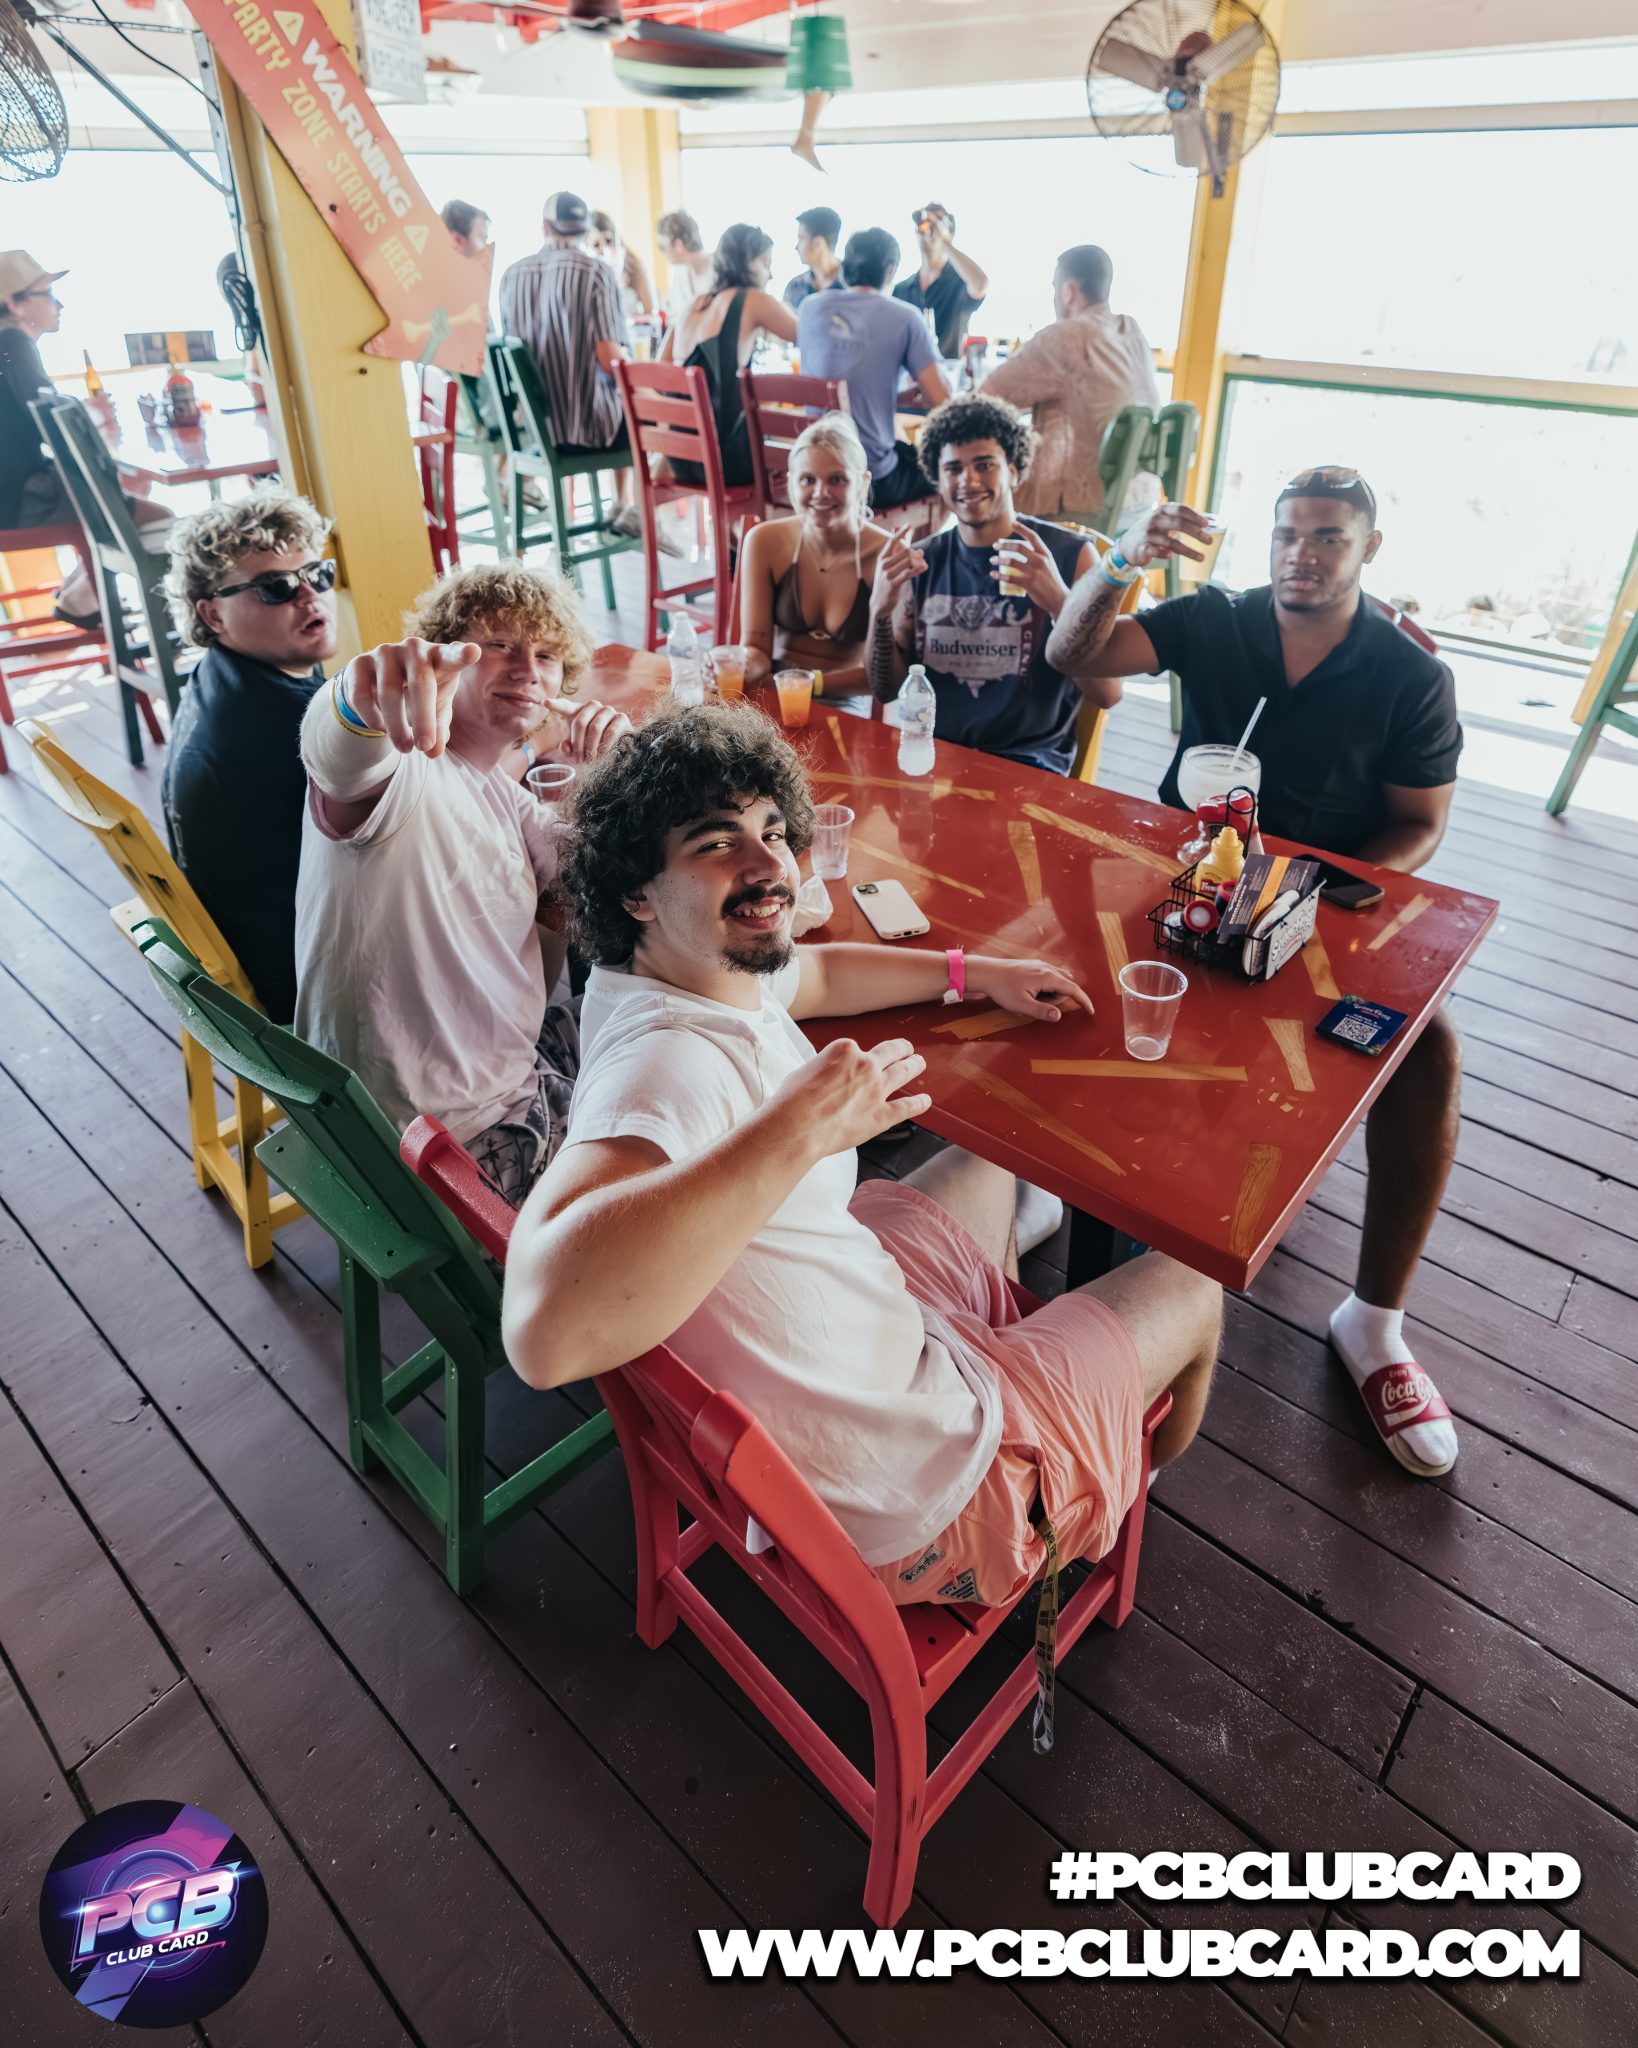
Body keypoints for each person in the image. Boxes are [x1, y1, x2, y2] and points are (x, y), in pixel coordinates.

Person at [503, 704, 1220, 1635]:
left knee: (984, 1167)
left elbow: (813, 978)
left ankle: (1028, 1378)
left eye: (772, 831)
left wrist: (971, 972)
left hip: (856, 1360)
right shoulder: (666, 1069)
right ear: (637, 891)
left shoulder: (671, 969)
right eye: (717, 844)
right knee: (1194, 1285)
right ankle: (1097, 1486)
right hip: (916, 1500)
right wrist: (797, 1130)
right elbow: (542, 1334)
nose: (768, 864)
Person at [1048, 467, 1465, 1479]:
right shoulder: (1214, 620)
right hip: (1182, 884)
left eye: (1328, 537)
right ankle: (1040, 1193)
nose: (1301, 555)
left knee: (1427, 1052)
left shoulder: (1410, 673)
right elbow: (1074, 653)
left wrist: (1323, 887)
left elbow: (1419, 823)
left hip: (1324, 899)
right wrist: (1123, 555)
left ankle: (1374, 1320)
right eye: (1286, 534)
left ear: (1369, 548)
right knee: (1071, 970)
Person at [294, 563, 632, 1202]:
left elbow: (614, 893)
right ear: (444, 659)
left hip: (483, 1088)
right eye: (500, 645)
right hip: (446, 1144)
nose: (527, 669)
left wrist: (620, 776)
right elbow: (338, 754)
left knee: (666, 1021)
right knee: (695, 1130)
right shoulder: (403, 771)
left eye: (546, 655)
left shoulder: (499, 790)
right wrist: (358, 697)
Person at [865, 392, 1194, 773]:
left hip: (1029, 765)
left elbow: (1108, 694)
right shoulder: (922, 561)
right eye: (953, 468)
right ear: (938, 480)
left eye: (984, 464)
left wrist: (1058, 603)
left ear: (1014, 470)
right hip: (934, 759)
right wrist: (880, 611)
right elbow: (885, 689)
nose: (968, 480)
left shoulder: (1069, 555)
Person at [161, 489, 338, 1023]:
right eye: (276, 586)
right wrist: (528, 747)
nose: (309, 597)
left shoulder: (218, 676)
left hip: (251, 951)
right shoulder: (293, 721)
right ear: (212, 614)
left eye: (318, 574)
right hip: (307, 984)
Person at [0, 250, 170, 626]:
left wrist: (88, 411)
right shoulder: (12, 342)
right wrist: (92, 410)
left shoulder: (8, 345)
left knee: (128, 488)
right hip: (16, 501)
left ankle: (81, 594)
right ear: (14, 303)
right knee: (159, 517)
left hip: (16, 490)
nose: (59, 304)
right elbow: (53, 421)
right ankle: (149, 621)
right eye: (47, 294)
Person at [983, 244, 1161, 525]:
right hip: (1140, 504)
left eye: (1054, 288)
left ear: (1068, 291)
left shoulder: (1065, 337)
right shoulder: (1131, 330)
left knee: (978, 490)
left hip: (1082, 509)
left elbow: (985, 399)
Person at [499, 192, 638, 537]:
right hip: (590, 432)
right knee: (648, 415)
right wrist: (646, 379)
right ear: (586, 229)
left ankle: (622, 507)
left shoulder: (511, 275)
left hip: (538, 432)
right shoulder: (596, 272)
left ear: (545, 226)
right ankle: (629, 510)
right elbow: (610, 359)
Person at [738, 413, 893, 698]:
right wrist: (741, 665)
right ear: (791, 483)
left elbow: (885, 676)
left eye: (836, 479)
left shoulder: (886, 554)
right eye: (808, 480)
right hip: (772, 688)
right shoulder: (764, 541)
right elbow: (756, 648)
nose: (821, 492)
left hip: (843, 697)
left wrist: (806, 685)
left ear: (862, 483)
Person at [796, 228, 950, 510]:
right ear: (891, 272)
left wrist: (891, 397)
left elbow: (843, 376)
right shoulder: (905, 317)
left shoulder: (809, 309)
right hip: (869, 477)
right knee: (948, 470)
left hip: (810, 468)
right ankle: (909, 541)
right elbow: (942, 400)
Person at [662, 223, 797, 489]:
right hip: (724, 459)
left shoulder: (693, 305)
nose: (770, 274)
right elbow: (807, 335)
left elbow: (661, 369)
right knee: (803, 451)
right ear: (747, 263)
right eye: (766, 263)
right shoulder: (753, 299)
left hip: (681, 456)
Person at [892, 203, 988, 360]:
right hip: (909, 373)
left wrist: (944, 241)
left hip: (949, 372)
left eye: (938, 221)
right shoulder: (902, 289)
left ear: (950, 234)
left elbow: (981, 284)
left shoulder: (960, 283)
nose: (930, 229)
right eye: (925, 223)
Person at [588, 209, 655, 325]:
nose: (604, 249)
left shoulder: (633, 265)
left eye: (608, 241)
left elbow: (650, 311)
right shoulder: (587, 272)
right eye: (596, 245)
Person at [657, 211, 715, 326]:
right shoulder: (679, 273)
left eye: (662, 247)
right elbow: (674, 317)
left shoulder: (719, 270)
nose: (663, 253)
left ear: (678, 245)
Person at [783, 206, 842, 312]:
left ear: (818, 243)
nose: (796, 247)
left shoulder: (854, 285)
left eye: (801, 238)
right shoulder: (794, 287)